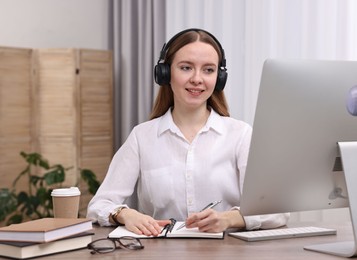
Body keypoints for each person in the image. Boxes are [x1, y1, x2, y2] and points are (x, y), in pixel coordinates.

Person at [87, 28, 289, 236]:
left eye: (208, 70)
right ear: (165, 74)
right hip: (160, 252)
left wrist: (228, 219)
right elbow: (99, 204)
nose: (197, 79)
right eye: (186, 68)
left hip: (227, 252)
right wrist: (125, 214)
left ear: (219, 78)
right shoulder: (142, 137)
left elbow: (277, 211)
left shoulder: (240, 134)